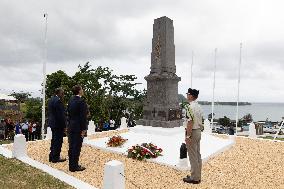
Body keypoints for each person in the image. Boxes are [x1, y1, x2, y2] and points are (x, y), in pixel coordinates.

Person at [183, 88, 203, 184]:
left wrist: (188, 136)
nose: (187, 95)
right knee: (197, 155)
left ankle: (194, 178)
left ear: (191, 96)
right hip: (198, 131)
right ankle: (197, 176)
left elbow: (190, 122)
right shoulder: (199, 106)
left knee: (192, 156)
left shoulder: (189, 107)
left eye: (188, 94)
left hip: (193, 132)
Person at [67, 85, 87, 172]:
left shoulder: (70, 100)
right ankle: (74, 166)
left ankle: (71, 165)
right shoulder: (81, 101)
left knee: (71, 146)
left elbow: (68, 114)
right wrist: (84, 129)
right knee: (77, 147)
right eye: (82, 89)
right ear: (79, 91)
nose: (82, 90)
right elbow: (83, 117)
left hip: (71, 125)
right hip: (78, 127)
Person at [48, 88, 67, 163]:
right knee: (58, 141)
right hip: (58, 124)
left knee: (54, 140)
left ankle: (51, 156)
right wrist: (64, 125)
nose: (63, 95)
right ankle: (56, 158)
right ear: (59, 93)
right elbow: (61, 115)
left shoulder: (51, 99)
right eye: (62, 93)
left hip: (53, 123)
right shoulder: (58, 101)